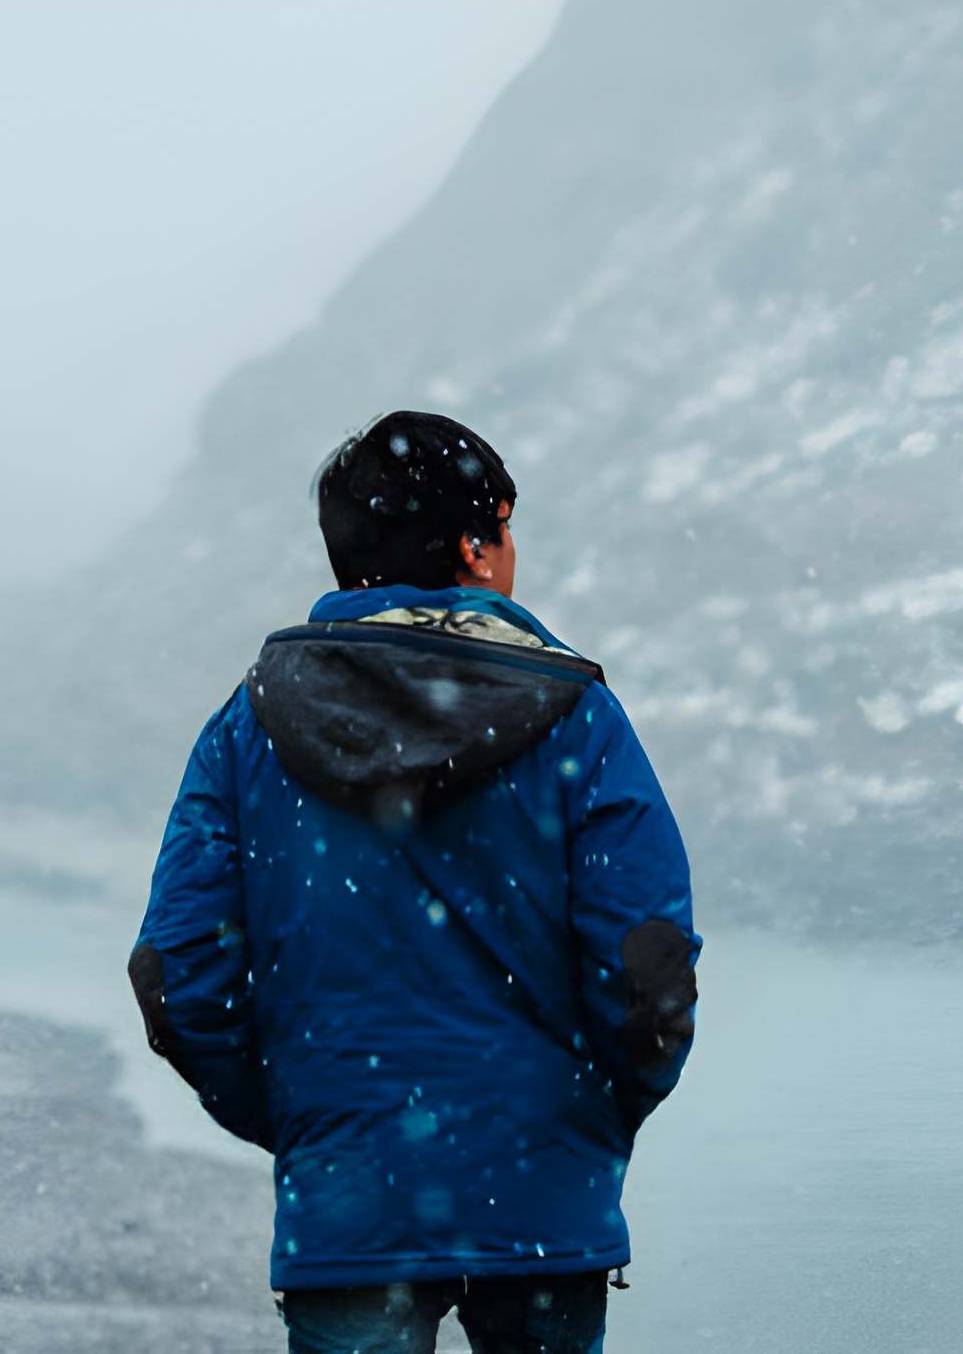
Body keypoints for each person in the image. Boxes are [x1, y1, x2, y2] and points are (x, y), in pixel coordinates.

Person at [128, 410, 701, 1354]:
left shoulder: (247, 726)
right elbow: (649, 968)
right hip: (544, 1195)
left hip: (347, 1201)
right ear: (478, 548)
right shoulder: (580, 718)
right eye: (507, 528)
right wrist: (584, 1117)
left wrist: (310, 1118)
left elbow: (178, 972)